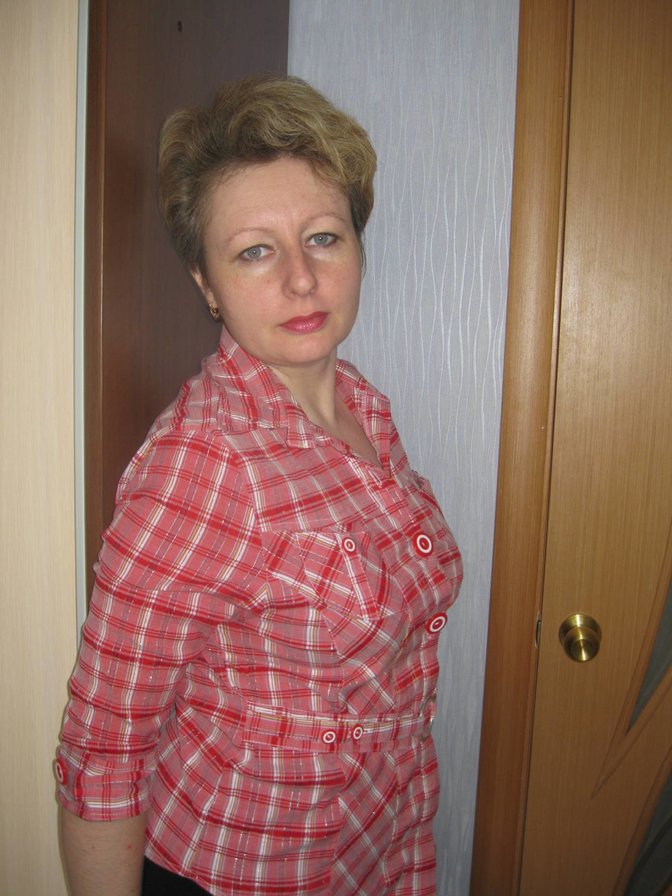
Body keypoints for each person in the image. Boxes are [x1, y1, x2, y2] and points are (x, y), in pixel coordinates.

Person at [56, 74, 463, 896]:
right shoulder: (201, 463)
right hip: (239, 872)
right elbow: (104, 745)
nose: (301, 279)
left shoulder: (364, 411)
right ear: (206, 284)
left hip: (372, 850)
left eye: (323, 237)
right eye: (254, 251)